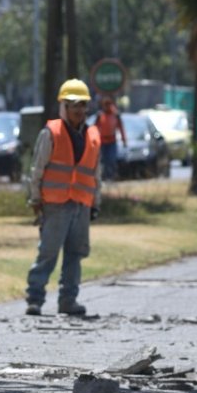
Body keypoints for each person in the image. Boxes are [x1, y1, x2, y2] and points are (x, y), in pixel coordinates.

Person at [24, 78, 101, 317]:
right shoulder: (52, 133)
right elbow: (37, 169)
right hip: (55, 204)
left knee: (75, 254)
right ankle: (34, 299)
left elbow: (96, 174)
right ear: (64, 107)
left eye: (82, 105)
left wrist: (95, 203)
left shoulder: (93, 135)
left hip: (81, 203)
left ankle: (68, 300)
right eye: (74, 104)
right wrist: (36, 199)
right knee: (48, 253)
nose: (79, 110)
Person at [95, 97, 127, 181]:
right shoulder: (99, 116)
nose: (107, 106)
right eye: (105, 104)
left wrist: (124, 140)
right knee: (102, 161)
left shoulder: (116, 115)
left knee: (111, 160)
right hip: (102, 142)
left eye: (109, 104)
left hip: (112, 142)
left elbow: (121, 128)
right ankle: (103, 177)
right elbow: (95, 129)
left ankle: (111, 176)